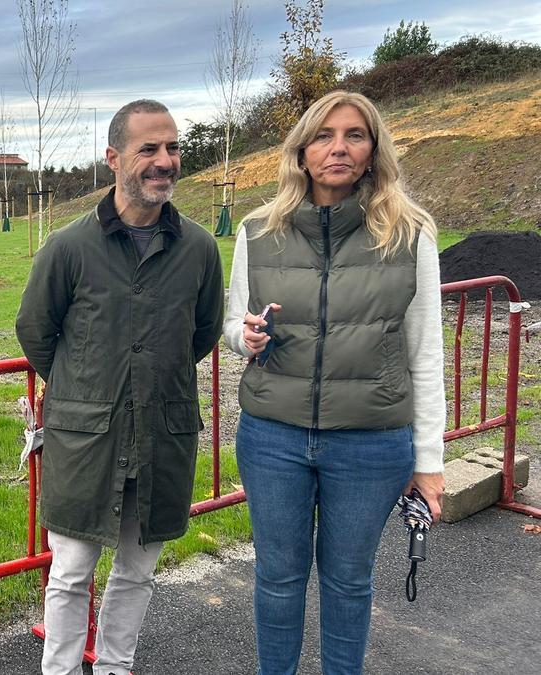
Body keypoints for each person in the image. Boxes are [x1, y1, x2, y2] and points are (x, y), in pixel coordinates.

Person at [224, 90, 445, 674]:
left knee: (349, 582)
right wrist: (241, 337)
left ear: (374, 151)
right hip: (273, 438)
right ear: (301, 151)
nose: (338, 148)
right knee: (278, 579)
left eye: (354, 135)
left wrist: (429, 461)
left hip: (371, 443)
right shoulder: (256, 230)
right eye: (323, 135)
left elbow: (425, 353)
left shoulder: (412, 234)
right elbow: (233, 322)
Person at [16, 99, 224, 675]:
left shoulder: (200, 249)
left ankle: (114, 667)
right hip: (85, 442)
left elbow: (202, 332)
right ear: (113, 158)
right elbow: (35, 329)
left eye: (173, 147)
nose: (165, 161)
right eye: (149, 149)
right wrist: (85, 387)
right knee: (70, 571)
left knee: (136, 572)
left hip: (162, 435)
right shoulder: (68, 247)